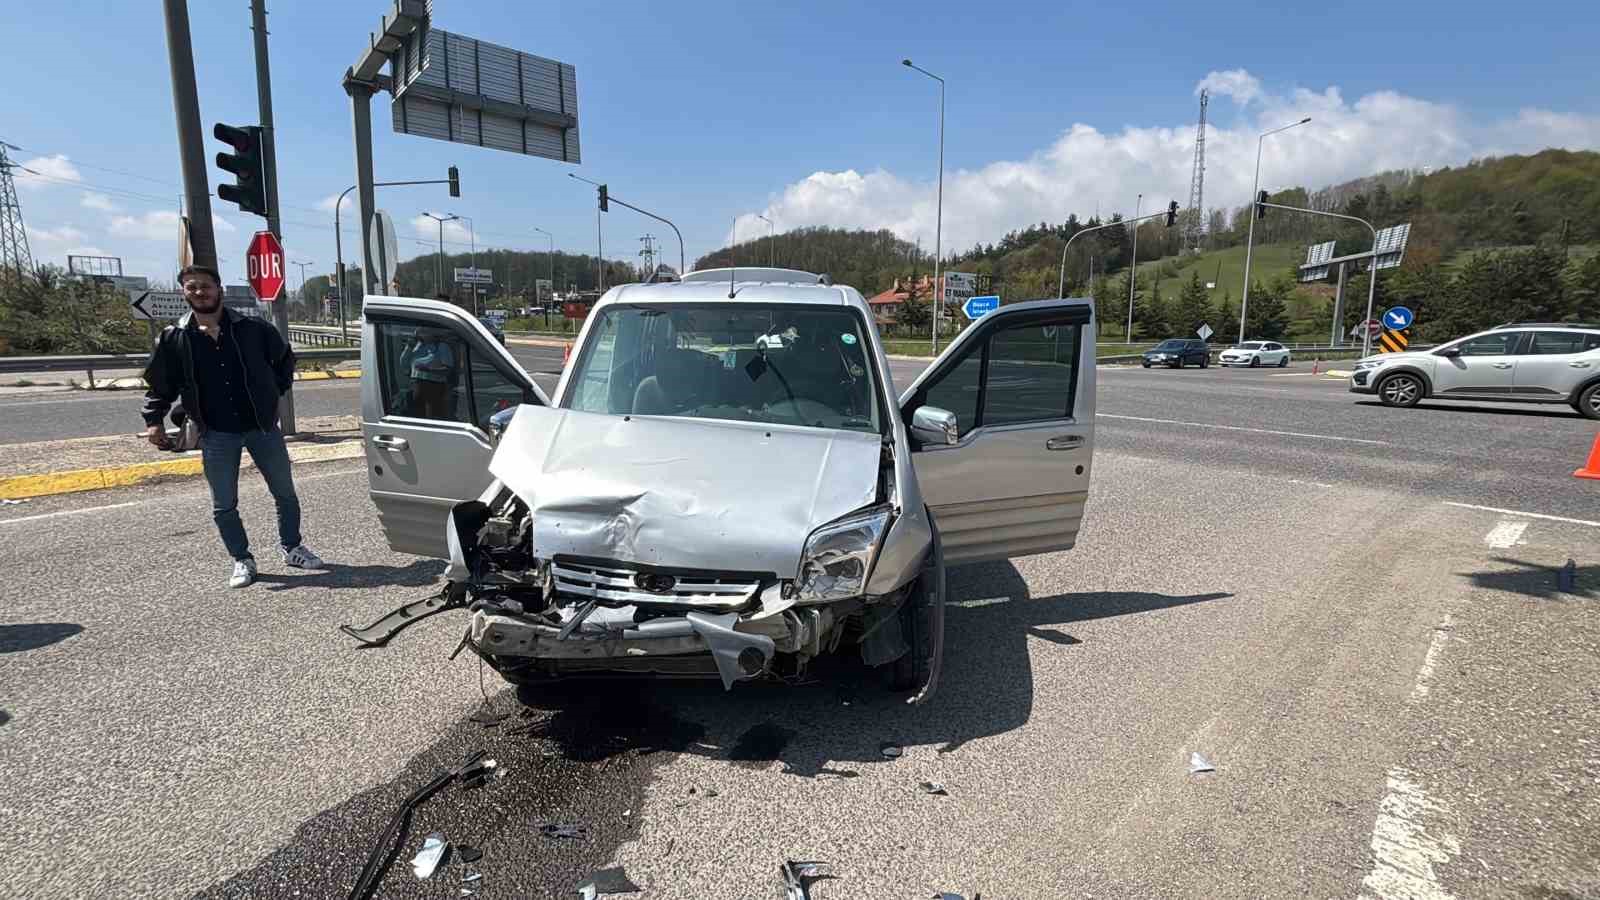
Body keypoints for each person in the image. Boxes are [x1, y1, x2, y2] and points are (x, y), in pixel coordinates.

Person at [141, 264, 324, 588]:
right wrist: (153, 420)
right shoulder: (175, 337)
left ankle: (292, 547)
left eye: (205, 286)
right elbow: (160, 385)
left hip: (262, 427)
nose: (199, 292)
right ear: (184, 292)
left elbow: (284, 361)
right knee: (224, 504)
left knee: (285, 494)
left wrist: (272, 393)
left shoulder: (253, 328)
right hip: (216, 433)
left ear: (219, 290)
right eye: (192, 287)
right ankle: (242, 559)